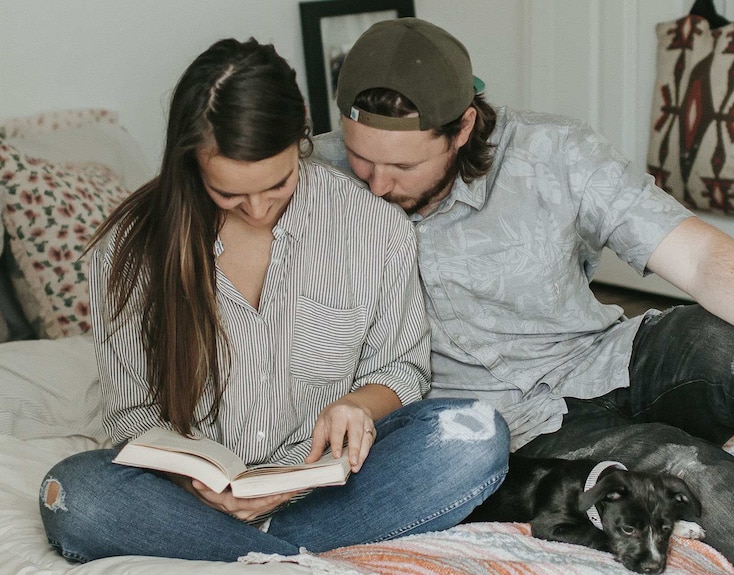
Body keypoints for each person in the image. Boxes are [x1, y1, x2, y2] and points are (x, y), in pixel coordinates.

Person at [311, 17, 734, 574]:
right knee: (687, 470)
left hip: (606, 357)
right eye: (362, 158)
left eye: (402, 165)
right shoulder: (313, 180)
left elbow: (697, 259)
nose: (376, 185)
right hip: (519, 422)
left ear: (462, 128)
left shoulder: (552, 151)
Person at [38, 37, 509, 564]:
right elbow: (132, 409)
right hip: (193, 503)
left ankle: (248, 554)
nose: (258, 209)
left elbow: (401, 367)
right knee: (73, 494)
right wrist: (191, 479)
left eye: (277, 184)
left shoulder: (372, 225)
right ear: (191, 162)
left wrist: (356, 405)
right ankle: (285, 557)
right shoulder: (131, 249)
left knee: (476, 436)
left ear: (301, 135)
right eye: (230, 194)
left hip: (329, 489)